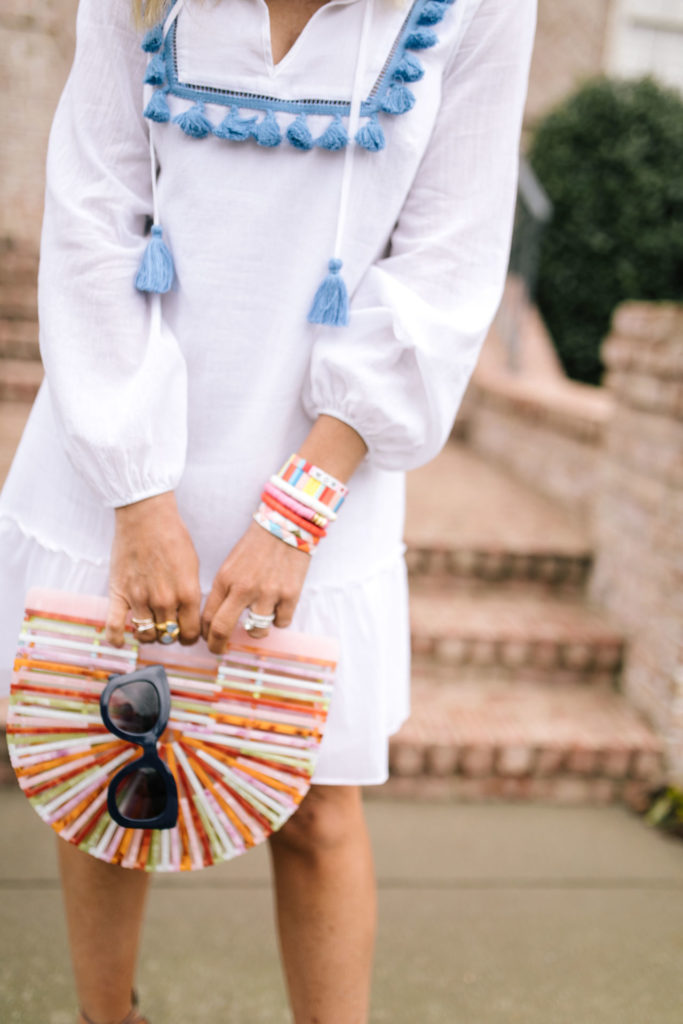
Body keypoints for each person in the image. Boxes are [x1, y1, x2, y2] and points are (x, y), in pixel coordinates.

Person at [0, 0, 536, 1020]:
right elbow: (92, 215)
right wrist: (136, 493)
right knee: (107, 753)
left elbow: (443, 264)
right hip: (119, 430)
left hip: (318, 461)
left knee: (318, 808)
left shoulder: (478, 9)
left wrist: (296, 510)